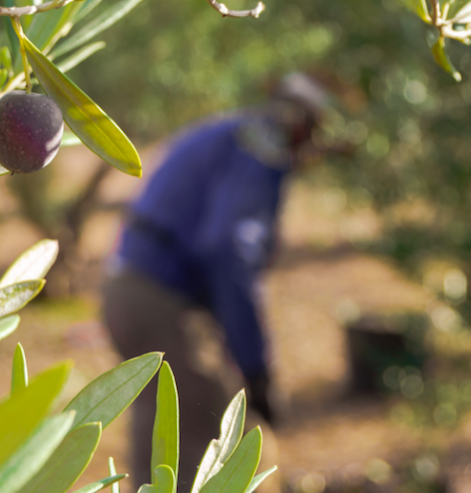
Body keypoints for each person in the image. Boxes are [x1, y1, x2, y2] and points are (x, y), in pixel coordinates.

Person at [101, 73, 335, 492]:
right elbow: (229, 250)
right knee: (227, 432)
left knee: (165, 423)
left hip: (125, 290)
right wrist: (255, 368)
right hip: (156, 298)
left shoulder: (231, 134)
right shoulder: (260, 147)